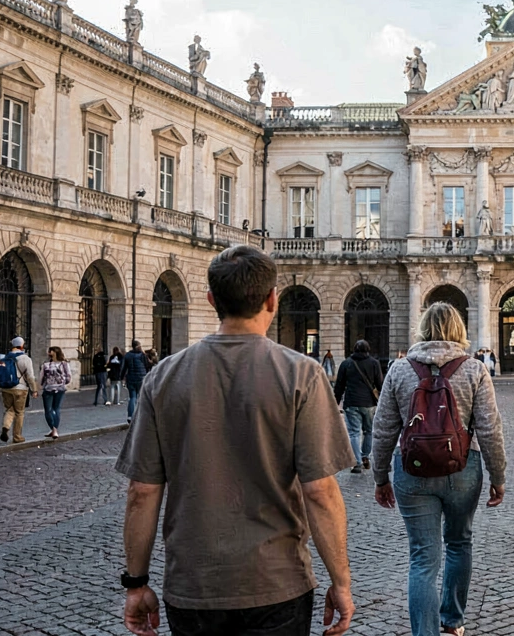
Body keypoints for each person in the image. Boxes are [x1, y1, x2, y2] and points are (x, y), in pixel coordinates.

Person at [117, 244, 356, 636]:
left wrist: (136, 583)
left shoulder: (162, 377)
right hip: (277, 580)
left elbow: (142, 492)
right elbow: (320, 492)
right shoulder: (302, 375)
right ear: (272, 299)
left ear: (212, 300)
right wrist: (341, 582)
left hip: (193, 584)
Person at [370, 302, 507, 636]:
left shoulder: (399, 369)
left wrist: (380, 476)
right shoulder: (474, 369)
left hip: (412, 469)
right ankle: (453, 620)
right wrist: (498, 476)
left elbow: (383, 429)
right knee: (459, 543)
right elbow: (489, 429)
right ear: (459, 330)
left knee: (422, 558)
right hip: (463, 467)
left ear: (422, 329)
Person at [334, 339, 382, 474]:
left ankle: (357, 462)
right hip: (369, 403)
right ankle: (365, 456)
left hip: (351, 402)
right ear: (368, 349)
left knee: (354, 432)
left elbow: (339, 385)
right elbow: (380, 384)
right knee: (368, 431)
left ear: (354, 349)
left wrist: (335, 402)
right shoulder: (374, 363)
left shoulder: (346, 363)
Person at [0, 337, 38, 443]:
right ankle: (17, 436)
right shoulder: (25, 359)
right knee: (19, 412)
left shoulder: (5, 357)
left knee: (10, 409)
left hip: (6, 388)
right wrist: (34, 389)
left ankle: (5, 427)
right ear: (22, 345)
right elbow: (30, 377)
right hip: (20, 389)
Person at [41, 346, 72, 439]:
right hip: (58, 388)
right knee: (54, 409)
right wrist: (62, 382)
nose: (48, 353)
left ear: (54, 352)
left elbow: (41, 378)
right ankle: (54, 430)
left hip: (50, 388)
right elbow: (68, 377)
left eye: (50, 351)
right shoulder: (63, 364)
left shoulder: (47, 364)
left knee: (50, 410)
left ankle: (53, 429)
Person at [122, 341, 149, 422]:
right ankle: (140, 415)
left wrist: (122, 377)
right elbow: (147, 366)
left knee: (132, 397)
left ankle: (130, 416)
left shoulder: (128, 355)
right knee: (141, 397)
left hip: (131, 378)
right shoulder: (142, 355)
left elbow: (124, 368)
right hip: (141, 378)